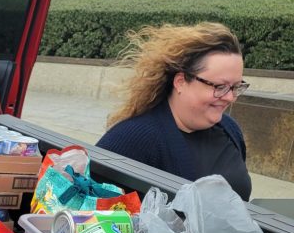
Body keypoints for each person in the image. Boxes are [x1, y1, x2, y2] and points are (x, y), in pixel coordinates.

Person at [97, 23, 252, 200]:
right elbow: (85, 202)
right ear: (180, 82)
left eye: (236, 87)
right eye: (220, 86)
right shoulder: (133, 137)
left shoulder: (230, 130)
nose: (230, 97)